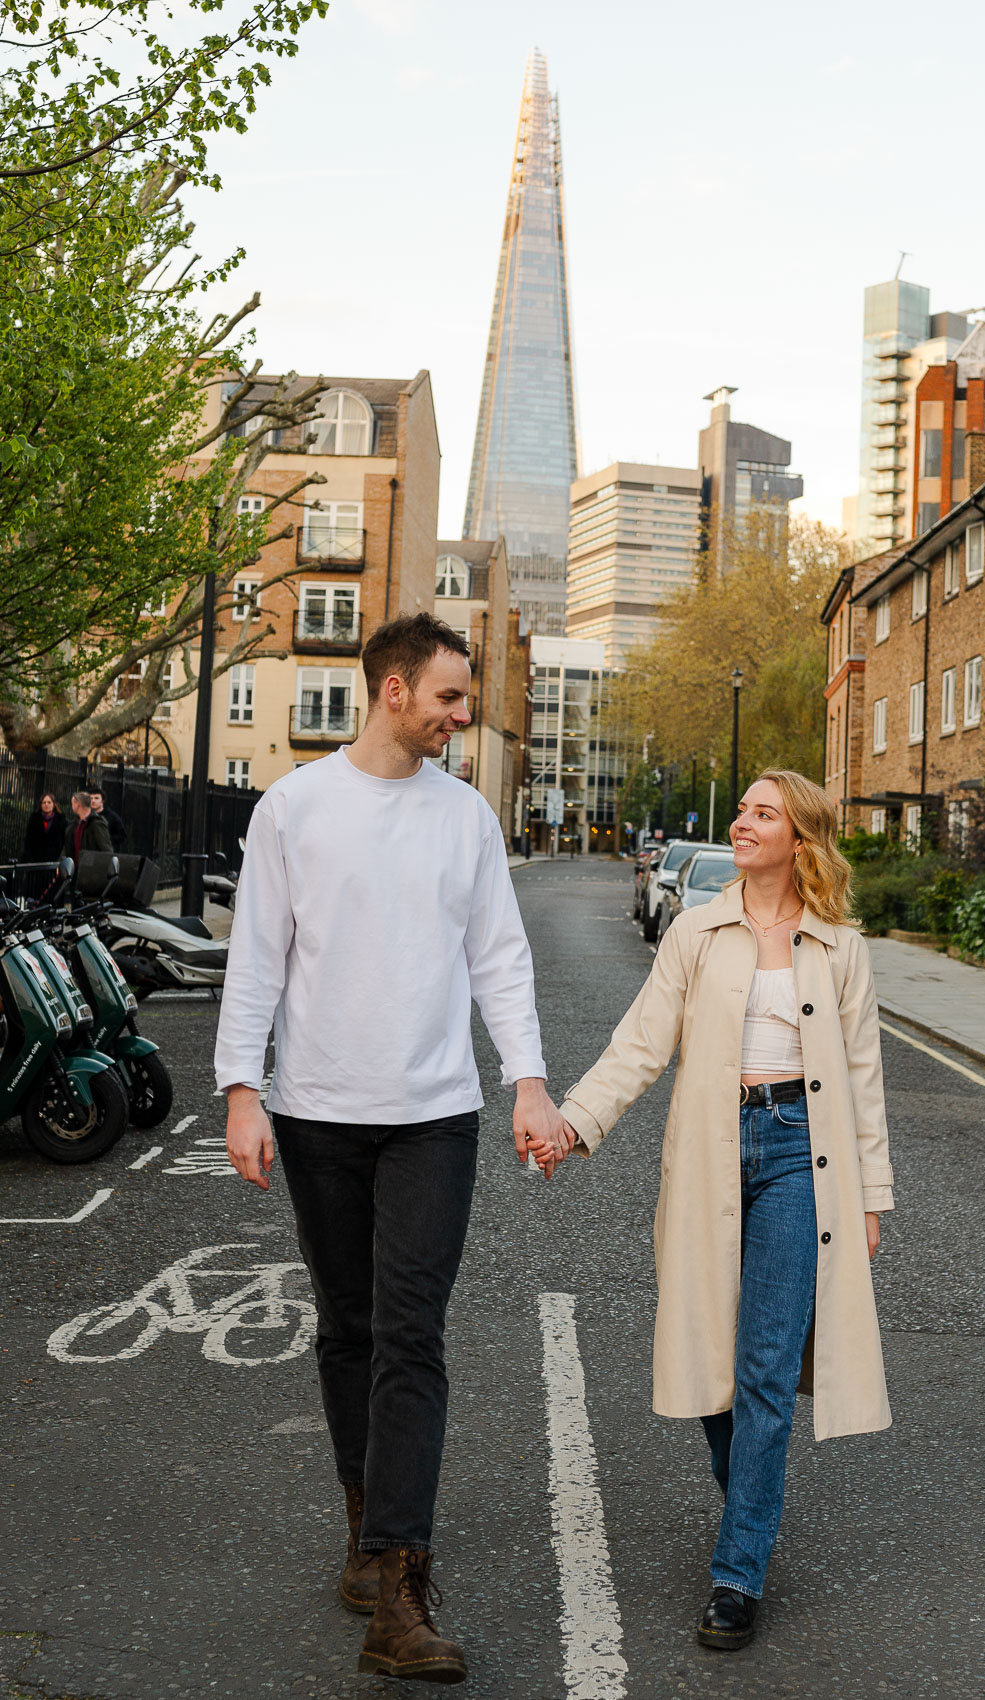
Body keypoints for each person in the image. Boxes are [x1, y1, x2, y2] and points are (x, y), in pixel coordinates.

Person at [215, 612, 572, 1687]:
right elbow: (257, 957)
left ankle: (403, 1586)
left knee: (411, 1332)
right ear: (394, 692)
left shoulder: (464, 818)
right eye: (452, 698)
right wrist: (242, 1091)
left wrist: (528, 1078)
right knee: (350, 1328)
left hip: (433, 1113)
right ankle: (368, 1526)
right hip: (318, 1109)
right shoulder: (295, 808)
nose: (465, 717)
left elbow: (500, 956)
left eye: (466, 700)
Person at [559, 769, 893, 1651]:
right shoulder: (696, 931)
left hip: (799, 1156)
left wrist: (870, 1196)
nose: (740, 824)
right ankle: (752, 1498)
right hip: (711, 1151)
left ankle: (737, 1571)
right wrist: (573, 1122)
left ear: (799, 837)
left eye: (760, 814)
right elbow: (640, 1042)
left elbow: (861, 1080)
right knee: (711, 1364)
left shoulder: (839, 947)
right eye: (742, 811)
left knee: (766, 1368)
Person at [64, 792, 112, 865]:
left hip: (90, 870)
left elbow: (106, 849)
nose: (72, 806)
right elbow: (67, 848)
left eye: (72, 803)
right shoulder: (74, 825)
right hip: (75, 869)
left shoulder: (96, 823)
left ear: (78, 804)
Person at [21, 792, 66, 864]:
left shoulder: (61, 820)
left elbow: (63, 840)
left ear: (54, 804)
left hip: (53, 859)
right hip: (35, 860)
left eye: (49, 802)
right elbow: (28, 839)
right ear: (41, 805)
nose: (46, 805)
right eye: (44, 802)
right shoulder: (34, 819)